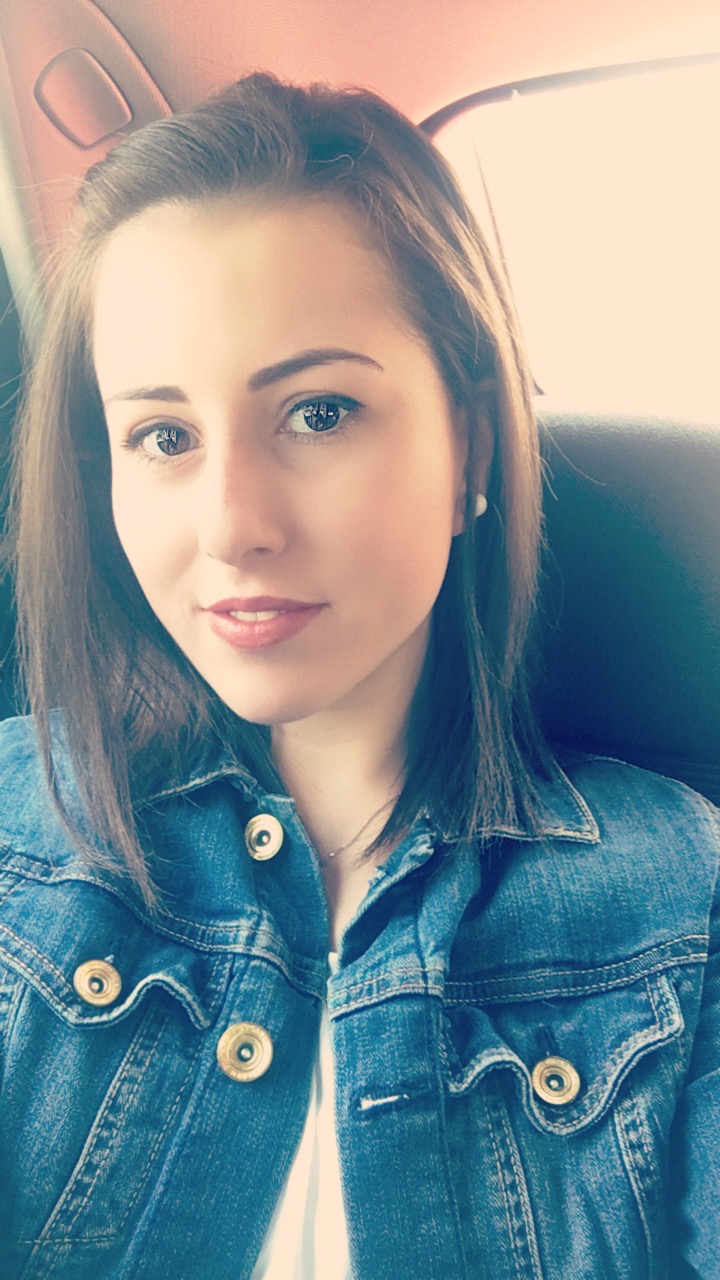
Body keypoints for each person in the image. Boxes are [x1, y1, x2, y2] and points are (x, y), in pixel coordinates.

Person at [0, 72, 717, 1280]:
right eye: (163, 436)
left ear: (470, 444)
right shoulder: (21, 827)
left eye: (320, 412)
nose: (232, 526)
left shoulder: (682, 900)